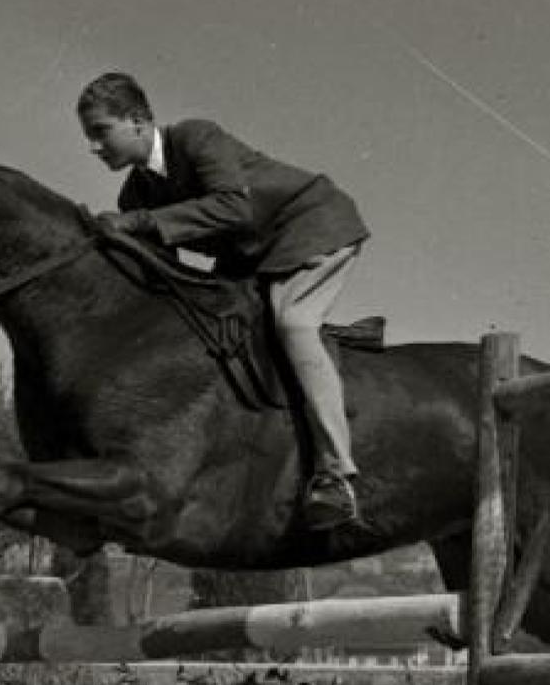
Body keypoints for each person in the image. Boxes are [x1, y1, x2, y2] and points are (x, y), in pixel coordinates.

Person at [76, 71, 369, 530]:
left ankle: (336, 475)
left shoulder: (195, 137)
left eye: (100, 131)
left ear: (136, 121)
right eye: (88, 136)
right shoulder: (135, 192)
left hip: (310, 226)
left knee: (293, 323)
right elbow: (163, 280)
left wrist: (140, 223)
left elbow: (235, 208)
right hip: (250, 257)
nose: (93, 146)